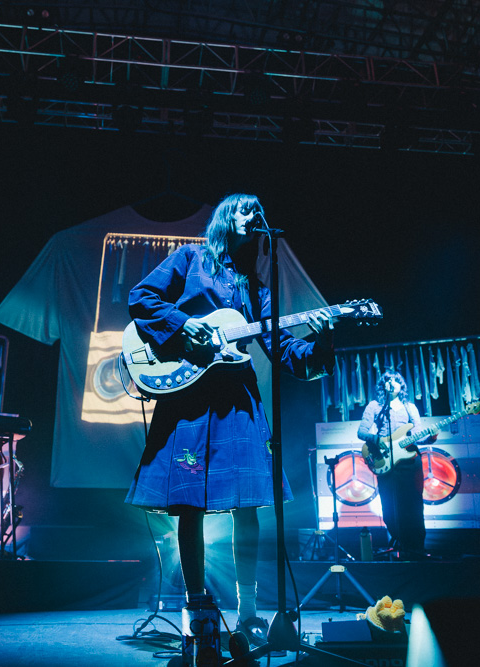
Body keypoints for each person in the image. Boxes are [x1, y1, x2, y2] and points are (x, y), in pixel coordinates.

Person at [125, 193, 334, 646]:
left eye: (259, 210)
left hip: (237, 398)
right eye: (245, 208)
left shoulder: (257, 288)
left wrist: (319, 344)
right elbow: (140, 297)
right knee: (189, 505)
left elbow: (284, 351)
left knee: (248, 500)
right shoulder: (190, 259)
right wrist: (183, 325)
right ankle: (197, 608)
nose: (254, 215)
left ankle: (250, 612)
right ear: (224, 217)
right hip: (188, 396)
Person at [357, 371, 433, 560]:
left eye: (396, 380)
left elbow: (418, 434)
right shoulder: (375, 406)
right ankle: (399, 542)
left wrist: (431, 436)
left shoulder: (410, 407)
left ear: (401, 385)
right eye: (388, 380)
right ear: (383, 385)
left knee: (414, 503)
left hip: (410, 461)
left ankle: (416, 548)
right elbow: (362, 431)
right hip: (385, 460)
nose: (392, 383)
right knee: (389, 505)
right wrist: (376, 438)